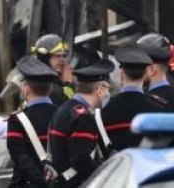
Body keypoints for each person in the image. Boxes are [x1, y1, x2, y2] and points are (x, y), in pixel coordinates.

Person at [46, 57, 114, 186]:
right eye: (107, 90)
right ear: (99, 90)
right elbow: (80, 159)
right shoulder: (83, 117)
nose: (108, 94)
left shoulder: (65, 109)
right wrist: (102, 178)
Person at [7, 56, 59, 187]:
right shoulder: (64, 114)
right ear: (50, 89)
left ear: (26, 89)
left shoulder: (17, 120)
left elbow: (20, 158)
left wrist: (41, 182)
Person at [32, 34, 74, 105]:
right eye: (58, 56)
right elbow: (69, 106)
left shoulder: (51, 82)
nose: (63, 60)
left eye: (63, 56)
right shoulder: (44, 86)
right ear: (44, 58)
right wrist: (68, 82)